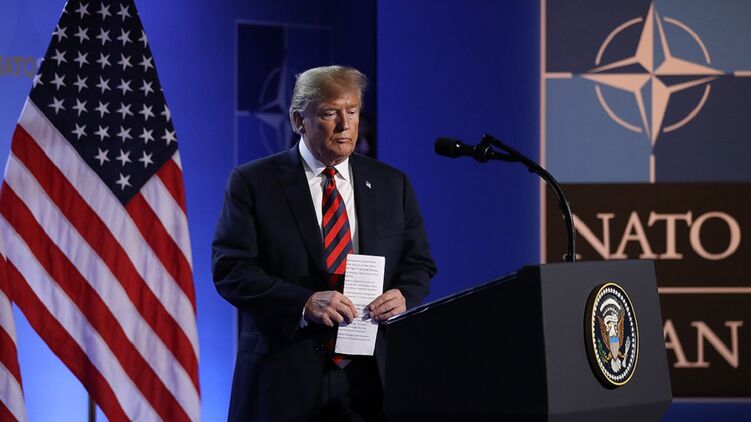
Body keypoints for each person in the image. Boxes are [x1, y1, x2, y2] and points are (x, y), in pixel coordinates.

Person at [212, 65, 436, 421]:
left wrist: (404, 294)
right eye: (330, 113)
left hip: (368, 381)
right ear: (298, 120)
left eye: (353, 112)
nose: (345, 125)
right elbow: (231, 270)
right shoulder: (253, 182)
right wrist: (302, 302)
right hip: (283, 377)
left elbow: (418, 263)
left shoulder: (392, 184)